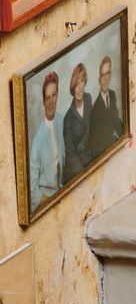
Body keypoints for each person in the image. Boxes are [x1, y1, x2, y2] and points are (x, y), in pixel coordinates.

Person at [28, 71, 63, 213]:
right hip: (47, 199)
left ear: (58, 96)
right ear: (43, 101)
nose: (51, 101)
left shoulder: (62, 120)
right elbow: (32, 188)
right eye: (47, 97)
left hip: (62, 191)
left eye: (54, 95)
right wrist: (48, 202)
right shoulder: (38, 139)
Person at [87, 55, 123, 159]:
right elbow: (95, 143)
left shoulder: (112, 95)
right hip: (103, 152)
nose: (105, 78)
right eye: (103, 75)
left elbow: (115, 120)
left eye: (107, 73)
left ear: (110, 75)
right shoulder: (95, 109)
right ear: (99, 79)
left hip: (114, 145)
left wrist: (126, 134)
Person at [62, 62, 92, 181]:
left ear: (85, 83)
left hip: (89, 158)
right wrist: (84, 174)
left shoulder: (88, 98)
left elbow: (91, 129)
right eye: (77, 83)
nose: (79, 88)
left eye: (82, 81)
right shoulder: (68, 119)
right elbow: (70, 153)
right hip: (75, 171)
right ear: (73, 86)